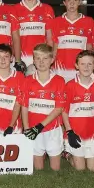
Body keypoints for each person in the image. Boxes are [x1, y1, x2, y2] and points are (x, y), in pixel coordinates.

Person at [20, 43, 66, 171]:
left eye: (45, 58)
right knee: (38, 170)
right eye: (38, 58)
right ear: (33, 61)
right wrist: (27, 128)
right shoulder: (27, 80)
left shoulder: (59, 80)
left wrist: (40, 126)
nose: (41, 62)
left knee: (55, 170)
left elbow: (59, 108)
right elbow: (24, 106)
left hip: (52, 130)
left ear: (52, 60)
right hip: (33, 130)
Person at [61, 50, 94, 172]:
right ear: (76, 65)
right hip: (75, 132)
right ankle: (67, 154)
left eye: (90, 64)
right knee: (80, 169)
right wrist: (69, 132)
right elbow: (64, 111)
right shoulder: (70, 85)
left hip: (92, 132)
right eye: (82, 64)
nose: (86, 67)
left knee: (92, 169)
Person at [47, 0, 93, 83]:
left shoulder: (89, 21)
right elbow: (54, 47)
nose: (72, 4)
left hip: (81, 72)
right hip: (60, 72)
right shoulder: (55, 22)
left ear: (80, 2)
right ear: (64, 3)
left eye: (75, 0)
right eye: (69, 0)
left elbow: (89, 48)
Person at [13, 0, 54, 75]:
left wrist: (49, 59)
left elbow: (50, 38)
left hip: (40, 60)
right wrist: (16, 61)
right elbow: (12, 38)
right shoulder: (13, 10)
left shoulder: (47, 9)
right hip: (19, 60)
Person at [0, 44, 24, 136]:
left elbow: (18, 104)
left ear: (11, 59)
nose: (3, 60)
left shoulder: (20, 77)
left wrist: (11, 126)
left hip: (14, 128)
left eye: (6, 56)